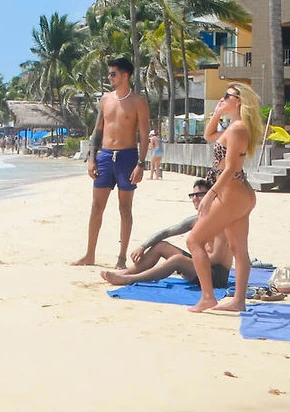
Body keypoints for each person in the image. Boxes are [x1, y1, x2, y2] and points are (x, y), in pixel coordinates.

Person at [187, 84, 260, 314]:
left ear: (239, 101)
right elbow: (208, 135)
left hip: (231, 193)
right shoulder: (235, 127)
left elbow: (229, 169)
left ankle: (208, 297)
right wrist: (217, 113)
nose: (222, 98)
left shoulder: (238, 129)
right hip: (239, 194)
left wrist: (210, 195)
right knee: (238, 248)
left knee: (194, 240)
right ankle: (238, 301)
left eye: (227, 96)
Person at [74, 58, 150, 269]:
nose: (109, 77)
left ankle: (121, 257)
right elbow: (97, 130)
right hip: (105, 156)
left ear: (125, 75)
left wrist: (141, 164)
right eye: (109, 74)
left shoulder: (138, 102)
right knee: (96, 207)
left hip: (127, 157)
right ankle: (89, 254)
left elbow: (144, 135)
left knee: (125, 208)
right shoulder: (105, 100)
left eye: (113, 74)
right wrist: (92, 158)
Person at [98, 177, 231, 289]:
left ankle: (131, 279)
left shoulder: (219, 222)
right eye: (193, 195)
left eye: (200, 195)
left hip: (216, 276)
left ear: (211, 196)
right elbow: (166, 232)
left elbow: (216, 258)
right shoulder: (196, 220)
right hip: (200, 264)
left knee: (178, 259)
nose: (195, 198)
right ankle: (126, 273)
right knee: (161, 246)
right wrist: (143, 247)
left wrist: (187, 262)